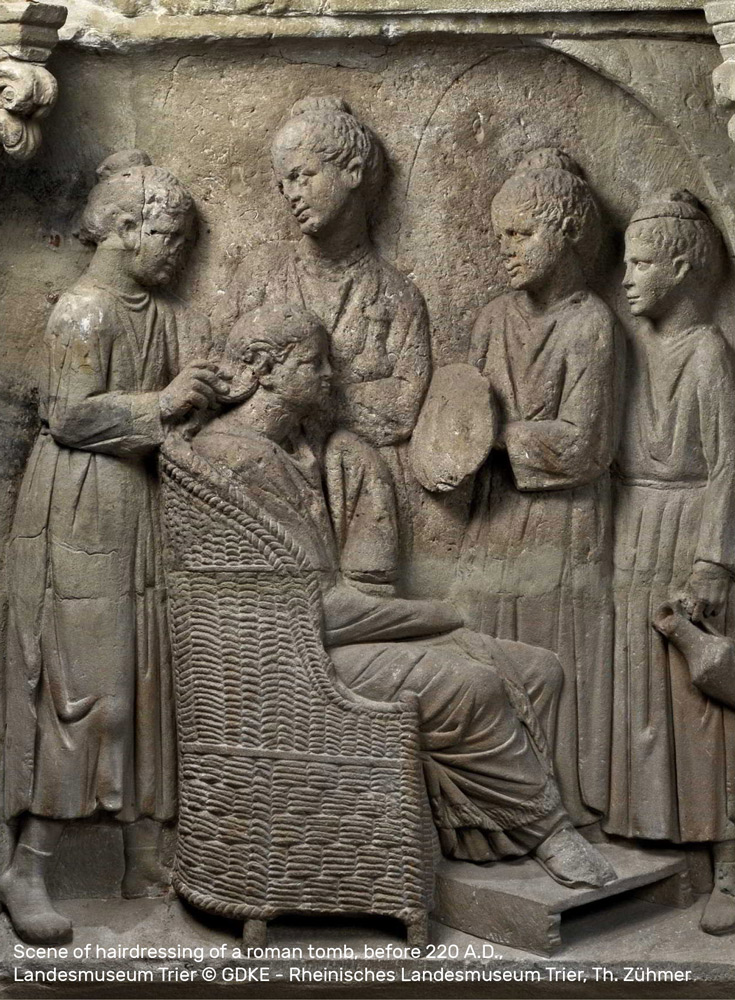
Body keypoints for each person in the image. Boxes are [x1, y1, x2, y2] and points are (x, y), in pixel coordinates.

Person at [184, 300, 617, 890]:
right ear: (266, 368)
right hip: (292, 658)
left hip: (333, 627)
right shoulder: (233, 457)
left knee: (539, 669)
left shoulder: (302, 451)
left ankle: (482, 839)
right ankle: (545, 829)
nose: (331, 377)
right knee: (473, 684)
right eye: (316, 363)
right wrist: (438, 616)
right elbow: (306, 609)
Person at [1, 150, 229, 943]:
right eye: (170, 236)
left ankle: (143, 856)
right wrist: (163, 403)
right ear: (126, 230)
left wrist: (201, 402)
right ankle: (26, 867)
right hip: (78, 514)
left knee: (145, 683)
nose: (178, 254)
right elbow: (68, 416)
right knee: (87, 694)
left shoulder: (159, 315)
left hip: (138, 509)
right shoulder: (84, 311)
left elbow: (164, 413)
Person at [453, 148, 619, 827]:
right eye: (499, 237)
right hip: (495, 517)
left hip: (563, 520)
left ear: (570, 232)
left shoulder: (590, 325)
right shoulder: (494, 320)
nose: (507, 251)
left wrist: (497, 439)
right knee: (486, 650)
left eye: (522, 234)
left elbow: (585, 444)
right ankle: (496, 807)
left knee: (557, 655)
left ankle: (562, 807)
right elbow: (462, 414)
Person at [211, 96, 431, 561]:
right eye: (283, 183)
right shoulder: (260, 276)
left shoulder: (397, 295)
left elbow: (405, 406)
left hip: (361, 499)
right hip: (266, 494)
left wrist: (299, 397)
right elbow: (226, 380)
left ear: (351, 172)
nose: (291, 193)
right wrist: (351, 396)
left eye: (303, 176)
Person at [609, 190, 735, 935]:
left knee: (705, 712)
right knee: (645, 699)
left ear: (682, 266)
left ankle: (728, 866)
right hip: (636, 529)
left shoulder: (709, 352)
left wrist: (713, 562)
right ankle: (658, 845)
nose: (625, 277)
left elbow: (729, 466)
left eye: (640, 262)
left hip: (690, 530)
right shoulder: (637, 345)